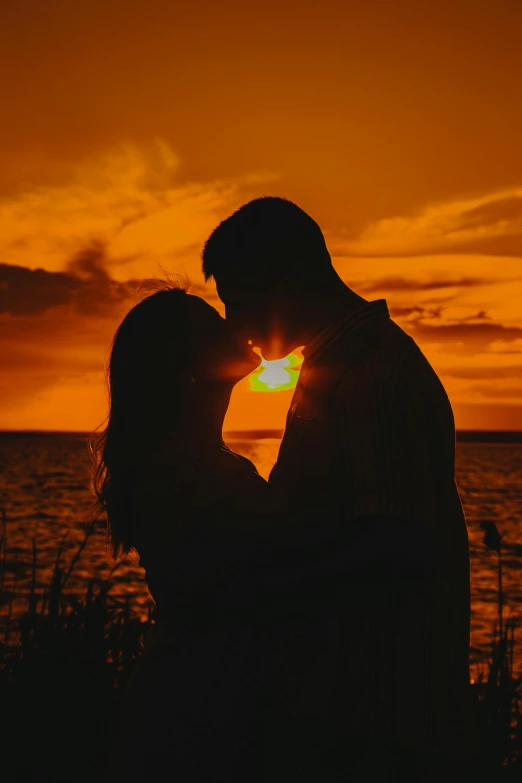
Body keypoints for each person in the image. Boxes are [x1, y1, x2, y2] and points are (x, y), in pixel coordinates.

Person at [92, 284, 417, 782]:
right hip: (201, 702)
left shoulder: (201, 465)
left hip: (214, 690)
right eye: (209, 323)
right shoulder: (184, 473)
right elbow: (250, 583)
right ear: (188, 368)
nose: (229, 324)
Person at [202, 196, 476, 781]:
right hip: (353, 710)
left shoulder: (373, 376)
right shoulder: (341, 369)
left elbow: (399, 545)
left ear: (286, 279)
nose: (233, 323)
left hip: (381, 722)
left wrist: (258, 586)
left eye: (237, 299)